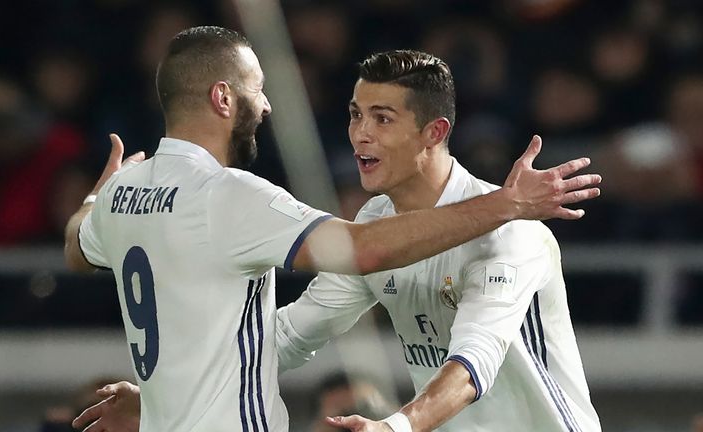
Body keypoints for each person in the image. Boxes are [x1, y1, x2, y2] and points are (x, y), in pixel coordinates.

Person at [64, 27, 600, 432]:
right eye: (354, 114)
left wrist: (396, 426)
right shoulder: (377, 222)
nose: (360, 135)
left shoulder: (511, 231)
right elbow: (291, 334)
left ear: (434, 132)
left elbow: (473, 361)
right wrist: (167, 395)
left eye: (382, 118)